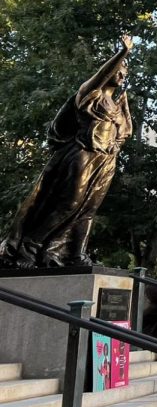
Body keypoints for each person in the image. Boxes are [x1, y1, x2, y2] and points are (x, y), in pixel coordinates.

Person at [0, 36, 134, 268]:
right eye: (118, 69)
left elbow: (124, 133)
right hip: (83, 154)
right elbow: (101, 76)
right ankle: (29, 247)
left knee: (89, 209)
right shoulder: (90, 95)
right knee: (68, 204)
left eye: (125, 72)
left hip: (106, 160)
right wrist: (121, 54)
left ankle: (74, 254)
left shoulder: (119, 105)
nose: (121, 75)